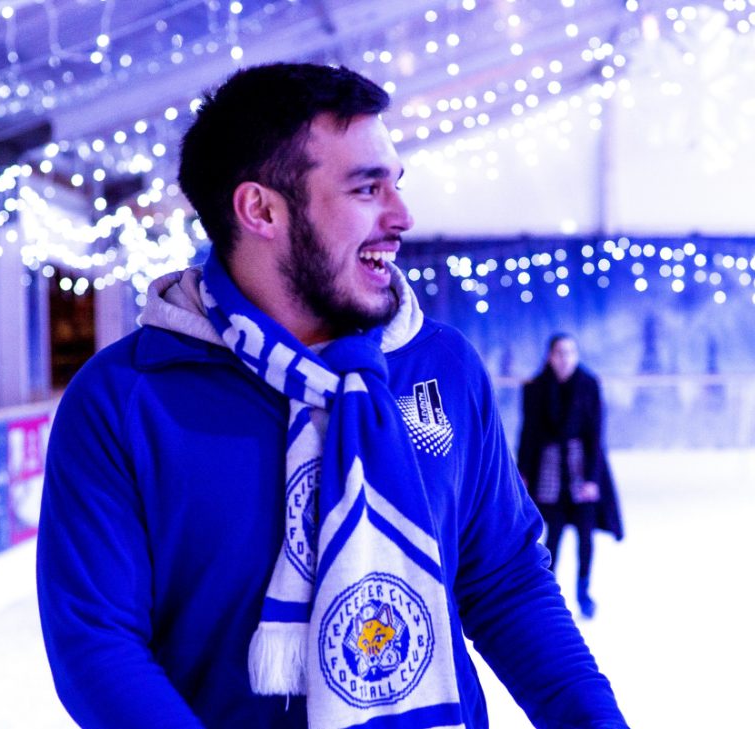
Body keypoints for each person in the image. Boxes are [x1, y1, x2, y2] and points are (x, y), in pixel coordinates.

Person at [36, 63, 629, 729]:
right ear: (261, 209)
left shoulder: (441, 366)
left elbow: (505, 580)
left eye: (394, 184)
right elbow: (98, 646)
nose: (401, 216)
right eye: (365, 188)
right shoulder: (124, 400)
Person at [517, 333, 624, 619]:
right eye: (559, 353)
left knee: (586, 538)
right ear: (550, 356)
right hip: (549, 472)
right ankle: (548, 596)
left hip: (581, 469)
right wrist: (524, 472)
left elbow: (595, 434)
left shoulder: (588, 385)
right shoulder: (536, 387)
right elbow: (528, 433)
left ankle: (583, 593)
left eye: (570, 353)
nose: (565, 359)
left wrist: (591, 479)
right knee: (552, 537)